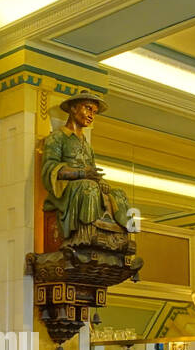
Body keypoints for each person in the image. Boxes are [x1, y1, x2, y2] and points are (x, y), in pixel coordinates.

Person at [40, 91, 132, 243]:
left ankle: (120, 238)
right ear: (74, 109)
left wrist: (100, 181)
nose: (91, 115)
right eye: (88, 109)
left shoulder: (87, 146)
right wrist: (81, 173)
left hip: (86, 185)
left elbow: (93, 171)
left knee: (119, 194)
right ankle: (85, 236)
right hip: (67, 191)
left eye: (94, 112)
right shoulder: (57, 138)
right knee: (89, 188)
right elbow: (50, 169)